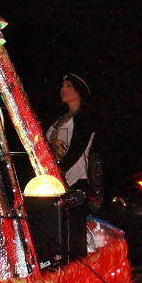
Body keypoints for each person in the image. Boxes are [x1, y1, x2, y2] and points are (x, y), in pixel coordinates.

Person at [46, 73, 101, 210]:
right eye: (63, 86)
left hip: (75, 181)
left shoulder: (84, 118)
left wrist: (60, 169)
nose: (63, 89)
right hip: (56, 181)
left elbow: (78, 148)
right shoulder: (59, 119)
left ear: (79, 91)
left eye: (69, 86)